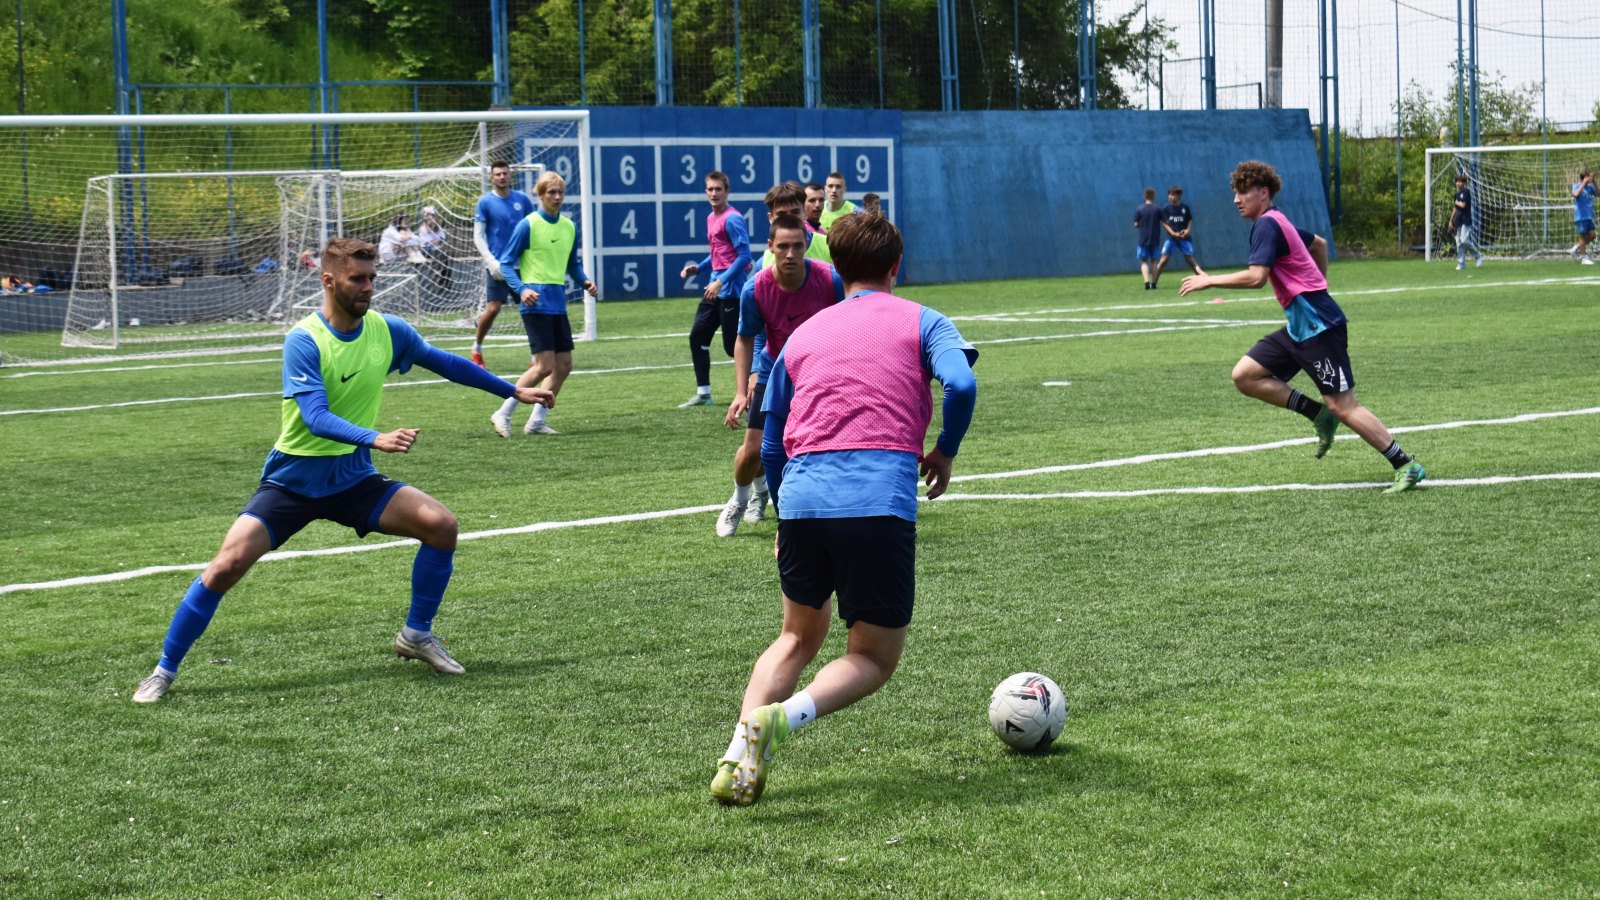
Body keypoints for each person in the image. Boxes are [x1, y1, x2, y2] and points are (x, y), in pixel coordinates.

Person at [131, 238, 556, 704]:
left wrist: (512, 392)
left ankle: (416, 635)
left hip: (353, 480)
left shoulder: (388, 331)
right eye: (358, 278)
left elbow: (448, 364)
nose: (368, 287)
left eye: (372, 278)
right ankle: (163, 671)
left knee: (441, 525)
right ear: (329, 280)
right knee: (225, 567)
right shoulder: (304, 340)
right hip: (293, 482)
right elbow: (314, 417)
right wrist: (375, 437)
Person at [709, 210, 978, 806]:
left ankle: (736, 756)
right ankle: (779, 720)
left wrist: (783, 515)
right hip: (876, 497)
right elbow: (961, 385)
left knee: (795, 638)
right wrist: (945, 452)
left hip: (802, 497)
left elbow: (772, 443)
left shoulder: (803, 335)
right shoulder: (924, 320)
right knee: (873, 657)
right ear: (895, 267)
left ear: (838, 267)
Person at [1177, 160, 1425, 495]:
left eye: (1243, 192)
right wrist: (1317, 284)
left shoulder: (1267, 224)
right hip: (1300, 327)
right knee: (1245, 375)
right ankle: (1319, 416)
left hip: (1319, 327)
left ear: (1262, 193)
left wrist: (1210, 281)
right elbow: (1319, 244)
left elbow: (1256, 277)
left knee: (1344, 405)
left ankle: (1406, 465)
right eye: (1234, 192)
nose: (1236, 199)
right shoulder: (1279, 220)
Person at [719, 212, 845, 538]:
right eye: (783, 246)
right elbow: (745, 338)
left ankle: (799, 518)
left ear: (807, 246)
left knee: (822, 448)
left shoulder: (830, 280)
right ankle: (740, 498)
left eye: (798, 246)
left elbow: (850, 321)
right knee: (756, 450)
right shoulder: (755, 289)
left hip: (820, 376)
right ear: (770, 247)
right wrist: (739, 390)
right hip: (775, 373)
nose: (791, 254)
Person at [489, 170, 598, 437]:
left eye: (560, 192)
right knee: (544, 366)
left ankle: (537, 420)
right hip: (535, 303)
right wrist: (522, 289)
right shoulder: (528, 225)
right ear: (540, 195)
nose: (557, 197)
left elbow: (573, 264)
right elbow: (506, 262)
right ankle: (503, 412)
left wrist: (585, 281)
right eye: (551, 192)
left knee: (564, 365)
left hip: (557, 302)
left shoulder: (569, 226)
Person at [678, 171, 752, 408]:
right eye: (710, 189)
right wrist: (697, 269)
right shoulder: (711, 218)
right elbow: (718, 254)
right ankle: (703, 394)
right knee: (697, 336)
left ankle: (755, 389)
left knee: (734, 348)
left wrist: (721, 282)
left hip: (731, 292)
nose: (714, 193)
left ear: (726, 191)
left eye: (718, 189)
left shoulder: (732, 219)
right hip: (714, 289)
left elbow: (744, 257)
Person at [470, 161, 537, 366]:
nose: (502, 177)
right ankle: (477, 348)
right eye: (498, 174)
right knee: (493, 308)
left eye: (505, 173)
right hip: (498, 266)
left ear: (511, 176)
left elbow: (533, 229)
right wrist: (491, 261)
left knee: (531, 308)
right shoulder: (485, 202)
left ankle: (536, 355)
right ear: (491, 177)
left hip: (522, 266)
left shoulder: (522, 200)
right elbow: (478, 236)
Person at [756, 182, 831, 270]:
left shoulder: (829, 247)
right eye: (781, 214)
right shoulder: (763, 263)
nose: (789, 219)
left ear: (804, 213)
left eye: (795, 212)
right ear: (770, 218)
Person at [1152, 185, 1206, 286]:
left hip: (1184, 238)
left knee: (1190, 259)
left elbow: (1189, 220)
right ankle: (1153, 281)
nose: (1169, 197)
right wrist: (1172, 233)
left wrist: (1187, 230)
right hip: (1171, 238)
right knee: (1163, 260)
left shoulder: (1185, 208)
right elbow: (1164, 222)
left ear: (1178, 196)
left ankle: (1202, 278)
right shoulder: (1166, 208)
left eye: (1172, 195)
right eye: (1169, 195)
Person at [1450, 175, 1484, 271]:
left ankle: (1478, 256)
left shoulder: (1466, 192)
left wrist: (1457, 202)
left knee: (1464, 240)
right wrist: (1450, 220)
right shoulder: (1456, 194)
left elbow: (1463, 205)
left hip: (1466, 220)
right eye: (1457, 181)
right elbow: (1456, 208)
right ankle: (1461, 264)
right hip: (1458, 220)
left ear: (1464, 183)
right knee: (1459, 243)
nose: (1458, 183)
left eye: (1460, 181)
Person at [1133, 187, 1164, 289]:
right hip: (1155, 239)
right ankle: (1154, 283)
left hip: (1143, 239)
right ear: (1154, 197)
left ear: (1144, 196)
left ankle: (1146, 282)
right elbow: (1165, 221)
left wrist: (1140, 224)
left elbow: (1136, 224)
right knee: (1154, 261)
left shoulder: (1139, 209)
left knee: (1144, 262)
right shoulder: (1158, 209)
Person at [1570, 170, 1596, 265]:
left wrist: (1594, 182)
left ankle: (1577, 248)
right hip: (1581, 215)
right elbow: (1575, 194)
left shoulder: (1590, 187)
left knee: (1592, 235)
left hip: (1589, 215)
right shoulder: (1577, 185)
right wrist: (1584, 183)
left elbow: (1599, 193)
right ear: (1584, 178)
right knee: (1582, 236)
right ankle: (1583, 258)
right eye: (1588, 177)